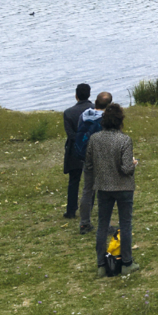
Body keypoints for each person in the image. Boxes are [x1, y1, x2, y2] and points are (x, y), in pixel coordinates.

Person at [84, 103, 139, 277]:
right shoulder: (124, 140)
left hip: (103, 187)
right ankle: (127, 262)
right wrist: (133, 163)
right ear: (120, 121)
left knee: (102, 224)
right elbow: (126, 169)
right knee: (125, 223)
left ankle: (101, 264)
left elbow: (89, 164)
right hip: (123, 186)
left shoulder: (94, 139)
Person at [78, 91, 112, 234]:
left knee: (88, 190)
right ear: (109, 105)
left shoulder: (84, 115)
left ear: (96, 102)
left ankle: (84, 223)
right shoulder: (107, 118)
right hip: (103, 158)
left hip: (87, 156)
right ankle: (104, 225)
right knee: (105, 192)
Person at [62, 83, 93, 219]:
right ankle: (89, 208)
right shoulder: (96, 110)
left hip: (75, 150)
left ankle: (71, 210)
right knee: (91, 182)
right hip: (92, 149)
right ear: (89, 94)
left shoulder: (68, 113)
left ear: (76, 96)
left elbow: (71, 135)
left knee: (74, 181)